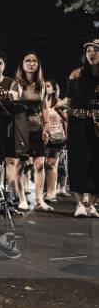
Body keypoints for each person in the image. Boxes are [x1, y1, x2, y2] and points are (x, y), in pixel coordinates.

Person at [9, 51, 52, 211]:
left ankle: (40, 200)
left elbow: (44, 108)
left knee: (40, 164)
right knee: (19, 165)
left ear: (38, 64)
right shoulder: (17, 84)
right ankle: (21, 199)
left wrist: (46, 127)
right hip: (21, 130)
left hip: (38, 129)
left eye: (34, 61)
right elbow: (12, 107)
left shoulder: (42, 85)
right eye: (28, 60)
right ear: (23, 64)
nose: (31, 63)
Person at [66, 38, 99, 218]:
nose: (92, 54)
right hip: (78, 122)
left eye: (96, 50)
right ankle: (79, 203)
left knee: (97, 161)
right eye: (89, 51)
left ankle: (92, 204)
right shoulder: (76, 74)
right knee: (78, 161)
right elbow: (69, 102)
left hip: (98, 123)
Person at [44, 80, 67, 202]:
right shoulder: (40, 102)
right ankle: (44, 190)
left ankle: (50, 193)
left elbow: (65, 121)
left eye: (48, 86)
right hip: (43, 137)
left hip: (57, 137)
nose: (45, 87)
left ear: (53, 90)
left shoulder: (58, 103)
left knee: (51, 164)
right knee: (41, 165)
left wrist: (67, 139)